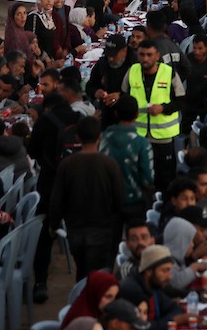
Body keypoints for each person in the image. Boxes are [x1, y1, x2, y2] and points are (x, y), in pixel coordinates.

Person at [50, 116, 126, 280]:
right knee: (100, 275)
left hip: (76, 229)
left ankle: (82, 299)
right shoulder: (110, 164)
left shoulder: (67, 164)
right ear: (100, 136)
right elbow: (119, 200)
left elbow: (58, 199)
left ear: (77, 137)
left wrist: (53, 225)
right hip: (103, 230)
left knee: (82, 271)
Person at [122, 40, 184, 191]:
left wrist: (163, 108)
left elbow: (181, 101)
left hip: (163, 138)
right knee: (138, 177)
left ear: (157, 56)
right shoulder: (132, 72)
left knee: (164, 179)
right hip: (138, 136)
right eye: (142, 54)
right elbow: (124, 98)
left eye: (149, 55)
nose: (145, 58)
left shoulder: (169, 73)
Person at [100, 95, 155, 223]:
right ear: (136, 115)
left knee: (112, 241)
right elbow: (148, 179)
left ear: (115, 113)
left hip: (108, 201)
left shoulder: (102, 140)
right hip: (135, 201)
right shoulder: (142, 143)